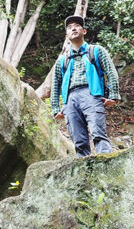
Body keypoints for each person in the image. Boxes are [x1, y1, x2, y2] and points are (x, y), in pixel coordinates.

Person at [50, 15, 120, 157]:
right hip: (70, 100)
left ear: (84, 31)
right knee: (79, 142)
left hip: (92, 95)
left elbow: (111, 72)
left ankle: (106, 167)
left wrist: (113, 95)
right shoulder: (62, 60)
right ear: (66, 35)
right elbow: (55, 85)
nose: (73, 28)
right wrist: (56, 108)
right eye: (69, 27)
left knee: (98, 134)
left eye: (77, 26)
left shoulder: (96, 51)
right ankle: (85, 175)